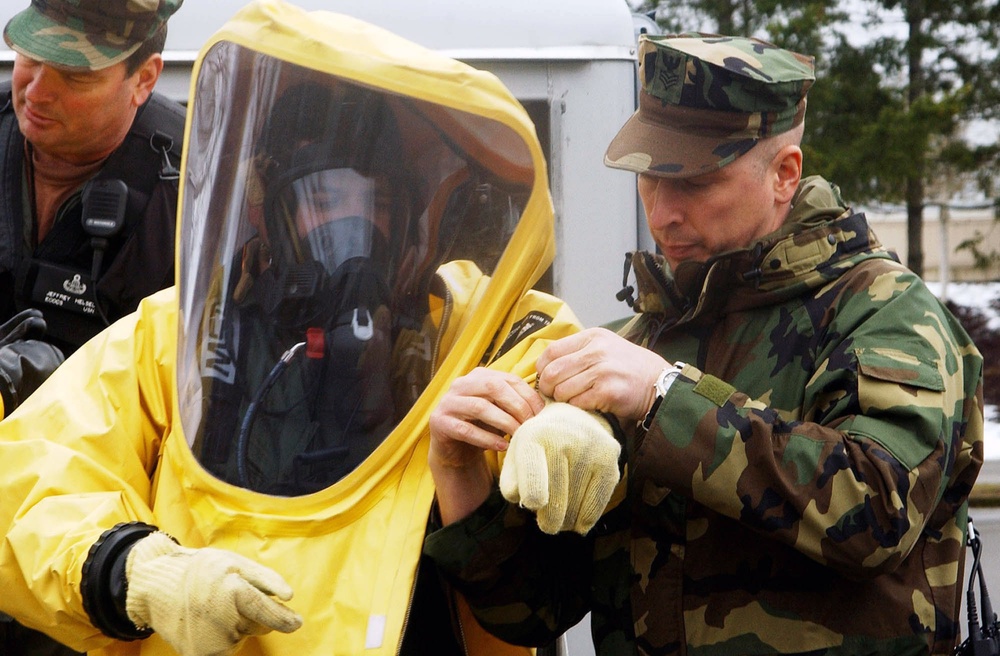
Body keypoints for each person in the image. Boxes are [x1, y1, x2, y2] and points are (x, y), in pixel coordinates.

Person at [0, 1, 585, 654]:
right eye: (324, 200)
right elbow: (34, 480)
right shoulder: (180, 340)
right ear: (268, 213)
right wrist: (136, 570)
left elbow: (551, 357)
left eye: (378, 203)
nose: (354, 229)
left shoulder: (464, 337)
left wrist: (569, 419)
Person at [424, 33, 986, 655]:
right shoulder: (639, 345)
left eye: (693, 182)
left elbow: (875, 516)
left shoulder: (883, 312)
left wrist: (664, 399)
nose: (661, 212)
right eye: (650, 177)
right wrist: (458, 471)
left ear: (783, 174)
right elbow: (533, 608)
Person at [0, 2, 185, 654]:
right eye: (30, 58)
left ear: (144, 78)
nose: (38, 90)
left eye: (74, 77)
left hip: (95, 546)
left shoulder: (195, 194)